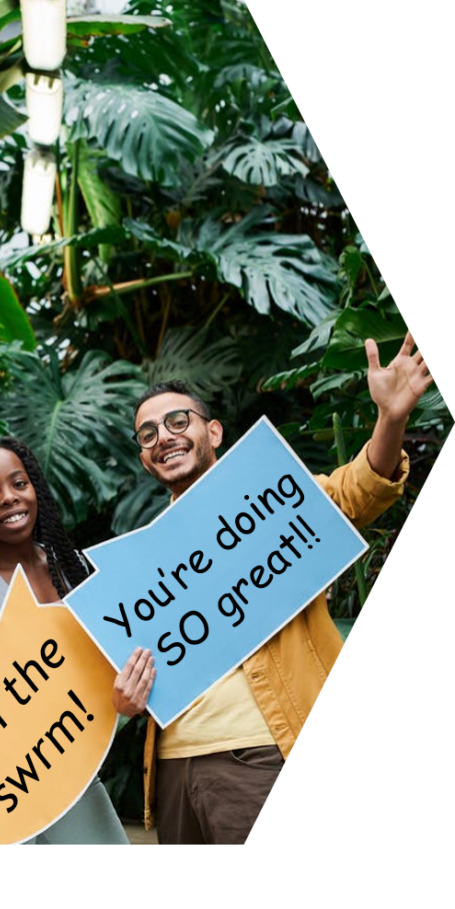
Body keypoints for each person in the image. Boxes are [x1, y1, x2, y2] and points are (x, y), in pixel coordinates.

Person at [121, 330, 432, 845]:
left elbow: (357, 492)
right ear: (143, 458)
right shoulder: (144, 559)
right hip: (174, 768)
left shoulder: (272, 505)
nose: (164, 436)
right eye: (148, 433)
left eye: (178, 421)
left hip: (262, 749)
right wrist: (124, 695)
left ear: (214, 432)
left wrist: (391, 418)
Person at [0, 431, 144, 845]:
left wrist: (126, 705)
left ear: (35, 489)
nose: (8, 498)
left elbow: (104, 680)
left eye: (18, 484)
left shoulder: (72, 571)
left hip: (70, 777)